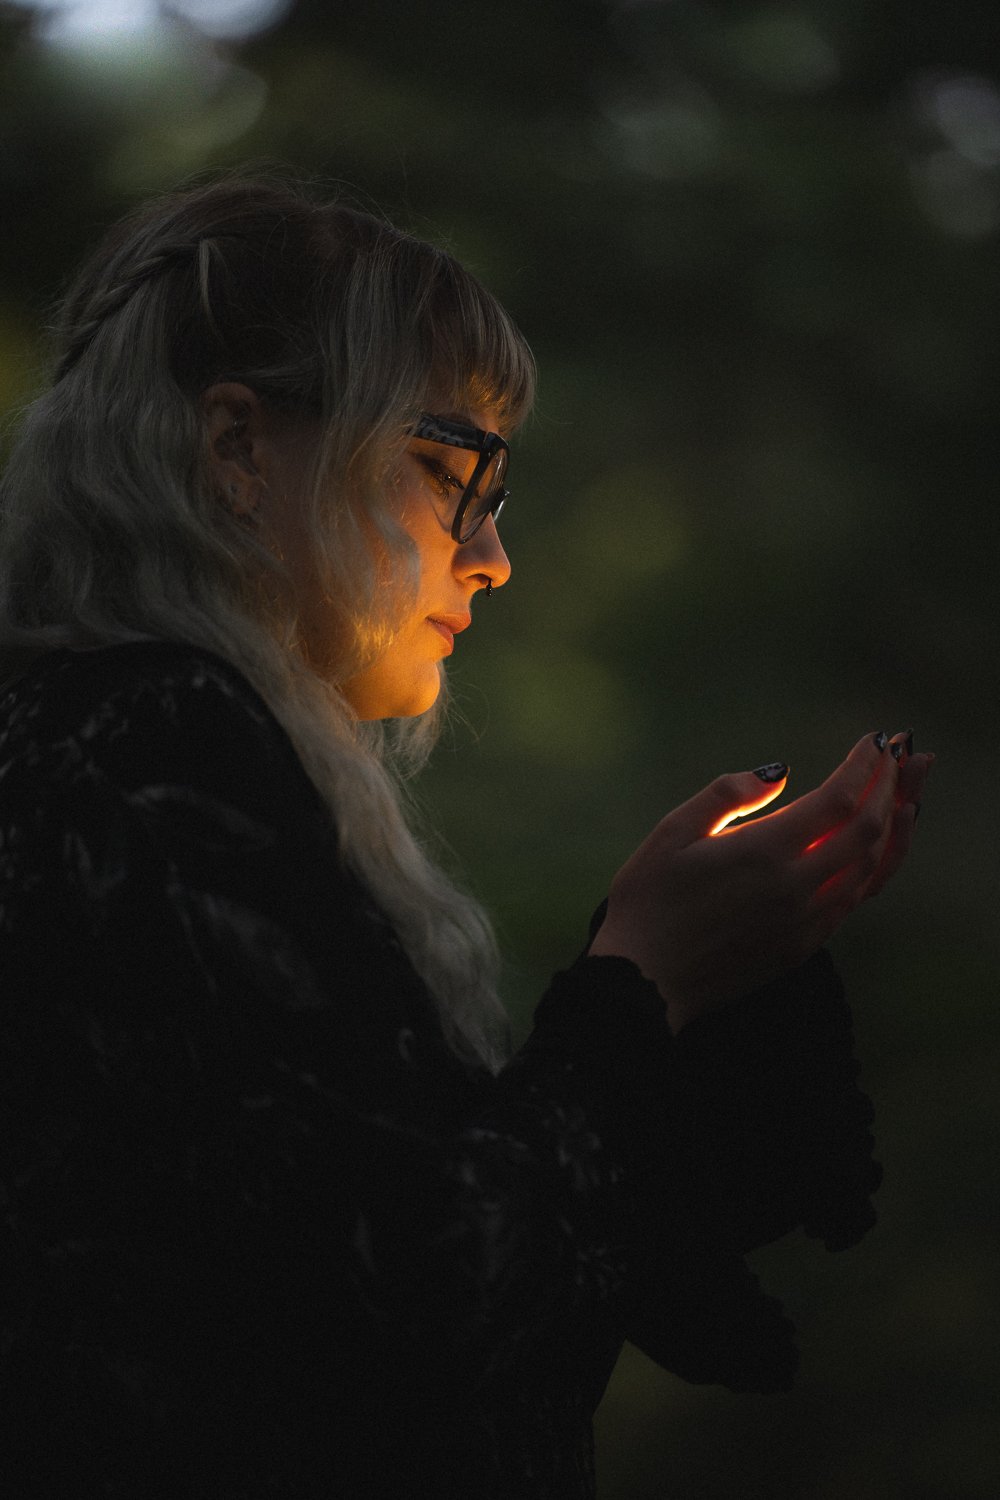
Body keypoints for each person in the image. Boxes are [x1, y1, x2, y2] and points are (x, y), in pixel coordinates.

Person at [0, 174, 931, 1499]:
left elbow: (390, 1249)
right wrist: (648, 978)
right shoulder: (148, 749)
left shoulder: (104, 748)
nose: (490, 553)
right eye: (449, 472)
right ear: (236, 450)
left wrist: (676, 970)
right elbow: (396, 1323)